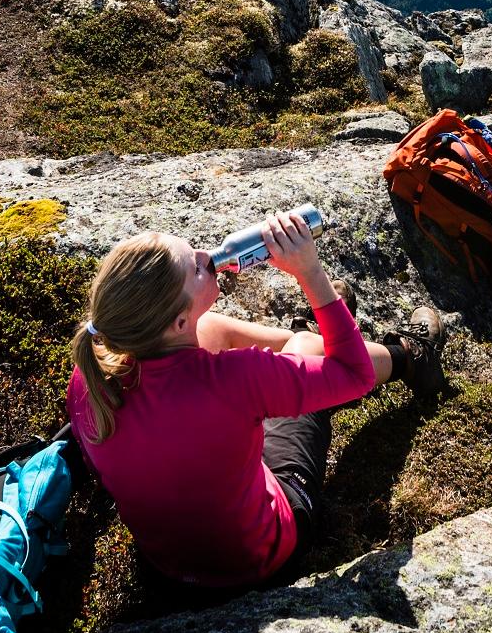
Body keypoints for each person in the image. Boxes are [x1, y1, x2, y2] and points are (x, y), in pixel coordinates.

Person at [67, 213, 445, 591]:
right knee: (307, 349)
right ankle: (412, 358)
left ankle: (308, 345)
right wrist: (311, 273)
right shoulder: (237, 378)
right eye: (194, 268)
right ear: (178, 324)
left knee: (211, 327)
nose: (204, 256)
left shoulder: (89, 380)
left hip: (166, 565)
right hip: (262, 555)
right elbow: (354, 374)